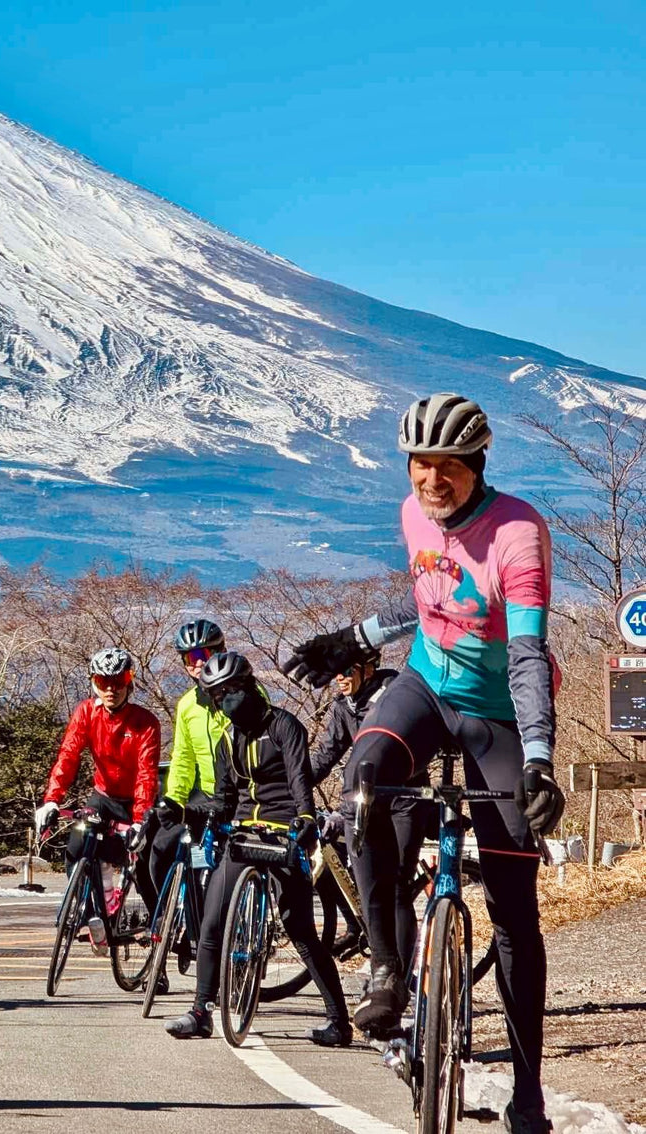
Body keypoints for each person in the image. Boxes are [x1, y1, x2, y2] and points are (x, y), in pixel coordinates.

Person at [283, 393, 565, 1134]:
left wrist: (538, 756)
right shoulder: (412, 515)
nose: (430, 480)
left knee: (512, 908)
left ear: (474, 465)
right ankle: (384, 968)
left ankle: (527, 1092)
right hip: (423, 687)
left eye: (445, 467)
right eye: (418, 465)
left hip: (499, 710)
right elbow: (432, 597)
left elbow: (529, 650)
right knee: (363, 781)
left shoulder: (516, 532)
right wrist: (356, 633)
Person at [165, 652, 351, 1047]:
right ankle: (201, 1011)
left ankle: (339, 1020)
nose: (223, 701)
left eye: (228, 692)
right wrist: (187, 810)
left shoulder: (284, 726)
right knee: (213, 920)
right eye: (215, 696)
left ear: (247, 687)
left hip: (285, 830)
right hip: (243, 834)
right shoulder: (226, 738)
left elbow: (301, 780)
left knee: (300, 928)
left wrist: (304, 818)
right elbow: (223, 797)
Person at [34, 648, 161, 949]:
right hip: (103, 796)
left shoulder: (145, 722)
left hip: (135, 802)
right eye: (103, 681)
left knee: (144, 870)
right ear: (93, 683)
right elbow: (68, 755)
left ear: (130, 683)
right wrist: (52, 799)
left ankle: (158, 941)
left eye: (119, 680)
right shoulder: (86, 713)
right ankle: (92, 915)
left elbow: (146, 774)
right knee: (78, 845)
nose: (111, 689)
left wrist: (141, 819)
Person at [308, 650, 420, 964]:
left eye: (345, 671)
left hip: (403, 800)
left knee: (397, 886)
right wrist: (290, 783)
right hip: (363, 801)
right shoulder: (344, 706)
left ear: (367, 669)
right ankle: (355, 927)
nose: (339, 679)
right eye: (335, 673)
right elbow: (325, 755)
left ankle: (398, 971)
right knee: (367, 884)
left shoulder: (394, 694)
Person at [145, 619, 229, 911]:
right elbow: (183, 757)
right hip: (204, 795)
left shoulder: (241, 695)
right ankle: (172, 919)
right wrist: (174, 800)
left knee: (217, 868)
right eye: (189, 658)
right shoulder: (187, 705)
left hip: (239, 798)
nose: (196, 663)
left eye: (202, 655)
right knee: (160, 847)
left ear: (219, 652)